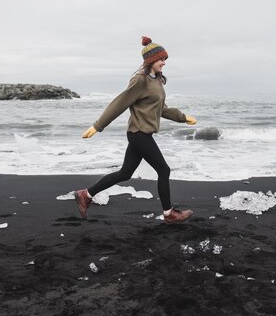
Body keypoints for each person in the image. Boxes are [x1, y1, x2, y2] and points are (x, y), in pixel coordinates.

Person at [75, 36, 198, 224]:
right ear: (151, 60)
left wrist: (182, 117)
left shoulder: (156, 80)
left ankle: (86, 194)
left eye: (165, 59)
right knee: (164, 170)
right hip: (138, 134)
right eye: (161, 59)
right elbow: (119, 103)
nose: (164, 63)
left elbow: (161, 109)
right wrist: (97, 126)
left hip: (141, 134)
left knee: (125, 173)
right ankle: (169, 214)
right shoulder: (139, 81)